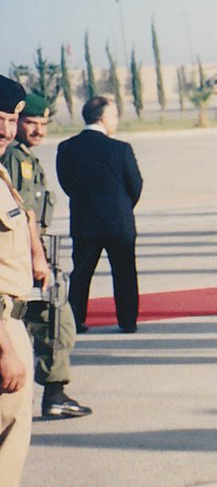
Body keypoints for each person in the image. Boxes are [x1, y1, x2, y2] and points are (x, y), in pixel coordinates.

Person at [0, 76, 55, 487]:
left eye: (12, 117)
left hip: (11, 320)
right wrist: (5, 348)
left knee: (8, 458)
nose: (5, 127)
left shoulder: (1, 172)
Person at [0, 93, 89, 417]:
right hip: (20, 262)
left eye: (43, 124)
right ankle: (54, 394)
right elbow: (24, 215)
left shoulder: (23, 156)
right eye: (30, 123)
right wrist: (38, 258)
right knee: (56, 324)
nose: (38, 131)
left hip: (29, 258)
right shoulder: (15, 159)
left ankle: (54, 393)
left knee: (52, 325)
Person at [56, 95, 142, 333]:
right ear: (104, 119)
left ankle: (75, 320)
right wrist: (122, 207)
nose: (116, 121)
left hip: (85, 222)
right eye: (114, 115)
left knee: (81, 273)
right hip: (119, 223)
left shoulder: (66, 148)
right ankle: (127, 321)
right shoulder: (121, 149)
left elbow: (67, 183)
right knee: (124, 272)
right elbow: (135, 185)